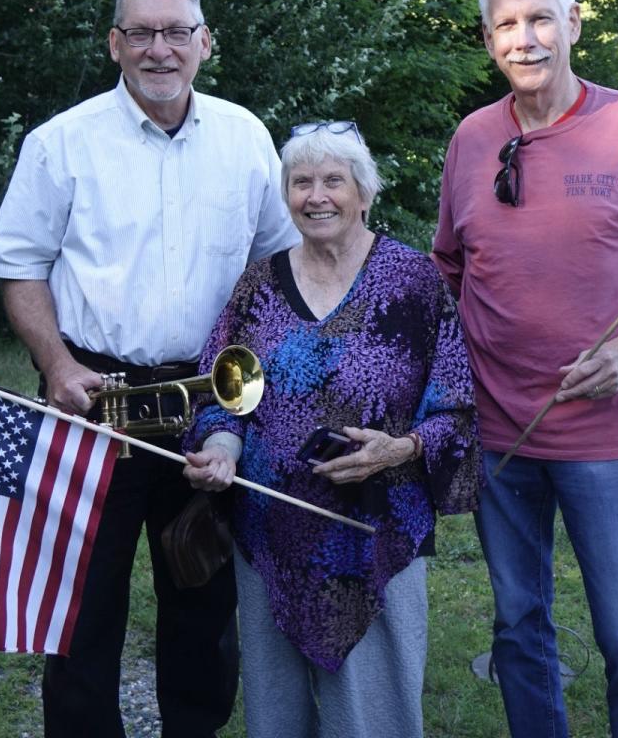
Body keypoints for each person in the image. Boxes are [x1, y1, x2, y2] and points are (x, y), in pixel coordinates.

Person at [0, 0, 299, 737]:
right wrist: (55, 365)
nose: (162, 48)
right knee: (84, 609)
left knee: (202, 599)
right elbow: (18, 265)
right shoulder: (62, 144)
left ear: (205, 42)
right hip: (95, 405)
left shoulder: (246, 137)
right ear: (115, 43)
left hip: (207, 404)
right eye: (143, 32)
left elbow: (279, 268)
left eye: (177, 31)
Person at [432, 0, 618, 737]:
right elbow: (446, 271)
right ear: (490, 40)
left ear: (574, 23)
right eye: (506, 25)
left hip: (609, 438)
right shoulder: (471, 139)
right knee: (519, 626)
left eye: (540, 18)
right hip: (501, 438)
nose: (525, 39)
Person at [182, 120, 483, 738]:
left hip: (375, 529)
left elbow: (455, 405)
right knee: (276, 717)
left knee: (372, 717)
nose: (316, 196)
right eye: (301, 183)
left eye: (333, 181)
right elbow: (224, 393)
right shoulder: (259, 285)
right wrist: (220, 446)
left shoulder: (415, 283)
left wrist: (401, 448)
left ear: (364, 194)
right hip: (271, 533)